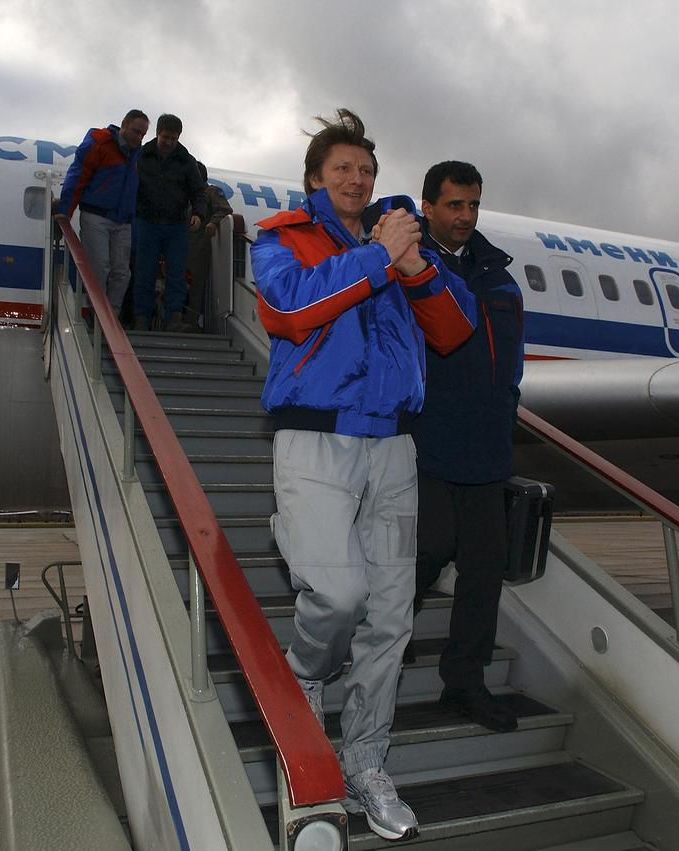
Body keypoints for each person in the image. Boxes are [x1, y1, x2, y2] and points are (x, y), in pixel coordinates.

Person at [252, 109, 475, 842]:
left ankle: (367, 759)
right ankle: (305, 672)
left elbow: (455, 331)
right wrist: (380, 258)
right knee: (339, 593)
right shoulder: (284, 237)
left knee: (390, 617)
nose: (358, 179)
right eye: (343, 168)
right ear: (317, 177)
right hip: (316, 440)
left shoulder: (398, 243)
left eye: (367, 170)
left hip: (393, 448)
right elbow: (290, 309)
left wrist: (414, 268)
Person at [411, 161, 525, 733]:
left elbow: (510, 362)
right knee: (426, 551)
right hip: (425, 441)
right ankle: (384, 640)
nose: (465, 217)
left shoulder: (498, 276)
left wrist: (506, 407)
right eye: (455, 205)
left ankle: (466, 681)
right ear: (428, 206)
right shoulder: (409, 263)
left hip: (485, 447)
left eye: (473, 205)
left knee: (485, 568)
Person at [55, 110, 150, 314]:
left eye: (143, 134)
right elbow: (78, 175)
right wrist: (66, 209)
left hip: (123, 220)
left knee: (122, 273)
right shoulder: (99, 143)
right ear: (123, 125)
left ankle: (110, 316)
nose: (138, 137)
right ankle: (95, 312)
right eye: (135, 131)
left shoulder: (138, 155)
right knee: (100, 267)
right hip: (96, 215)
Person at [133, 114, 208, 331]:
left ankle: (174, 317)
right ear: (157, 133)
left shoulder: (187, 161)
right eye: (166, 137)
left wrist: (198, 213)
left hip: (176, 225)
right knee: (144, 272)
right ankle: (141, 318)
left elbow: (198, 191)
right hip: (147, 222)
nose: (169, 142)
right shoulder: (142, 156)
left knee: (176, 273)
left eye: (174, 139)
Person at [183, 161, 233, 332]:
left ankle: (191, 322)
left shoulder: (211, 192)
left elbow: (225, 209)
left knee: (196, 285)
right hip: (184, 246)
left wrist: (213, 223)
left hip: (200, 246)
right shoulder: (187, 196)